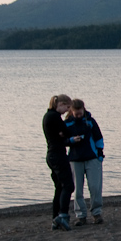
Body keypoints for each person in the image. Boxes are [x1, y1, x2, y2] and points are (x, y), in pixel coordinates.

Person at [65, 98, 105, 225]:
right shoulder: (67, 123)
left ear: (83, 109)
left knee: (95, 187)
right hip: (75, 160)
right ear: (71, 111)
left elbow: (99, 138)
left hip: (92, 158)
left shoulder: (90, 122)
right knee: (77, 190)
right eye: (76, 112)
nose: (78, 114)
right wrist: (71, 140)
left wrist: (99, 155)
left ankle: (96, 213)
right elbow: (62, 140)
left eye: (80, 112)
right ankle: (81, 215)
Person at [43, 94, 75, 231]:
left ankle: (55, 217)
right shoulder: (54, 117)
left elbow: (63, 134)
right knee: (68, 186)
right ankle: (62, 215)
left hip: (51, 154)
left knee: (60, 187)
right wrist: (65, 135)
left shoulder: (48, 116)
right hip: (58, 155)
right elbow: (66, 132)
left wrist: (63, 135)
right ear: (60, 104)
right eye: (67, 107)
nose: (67, 111)